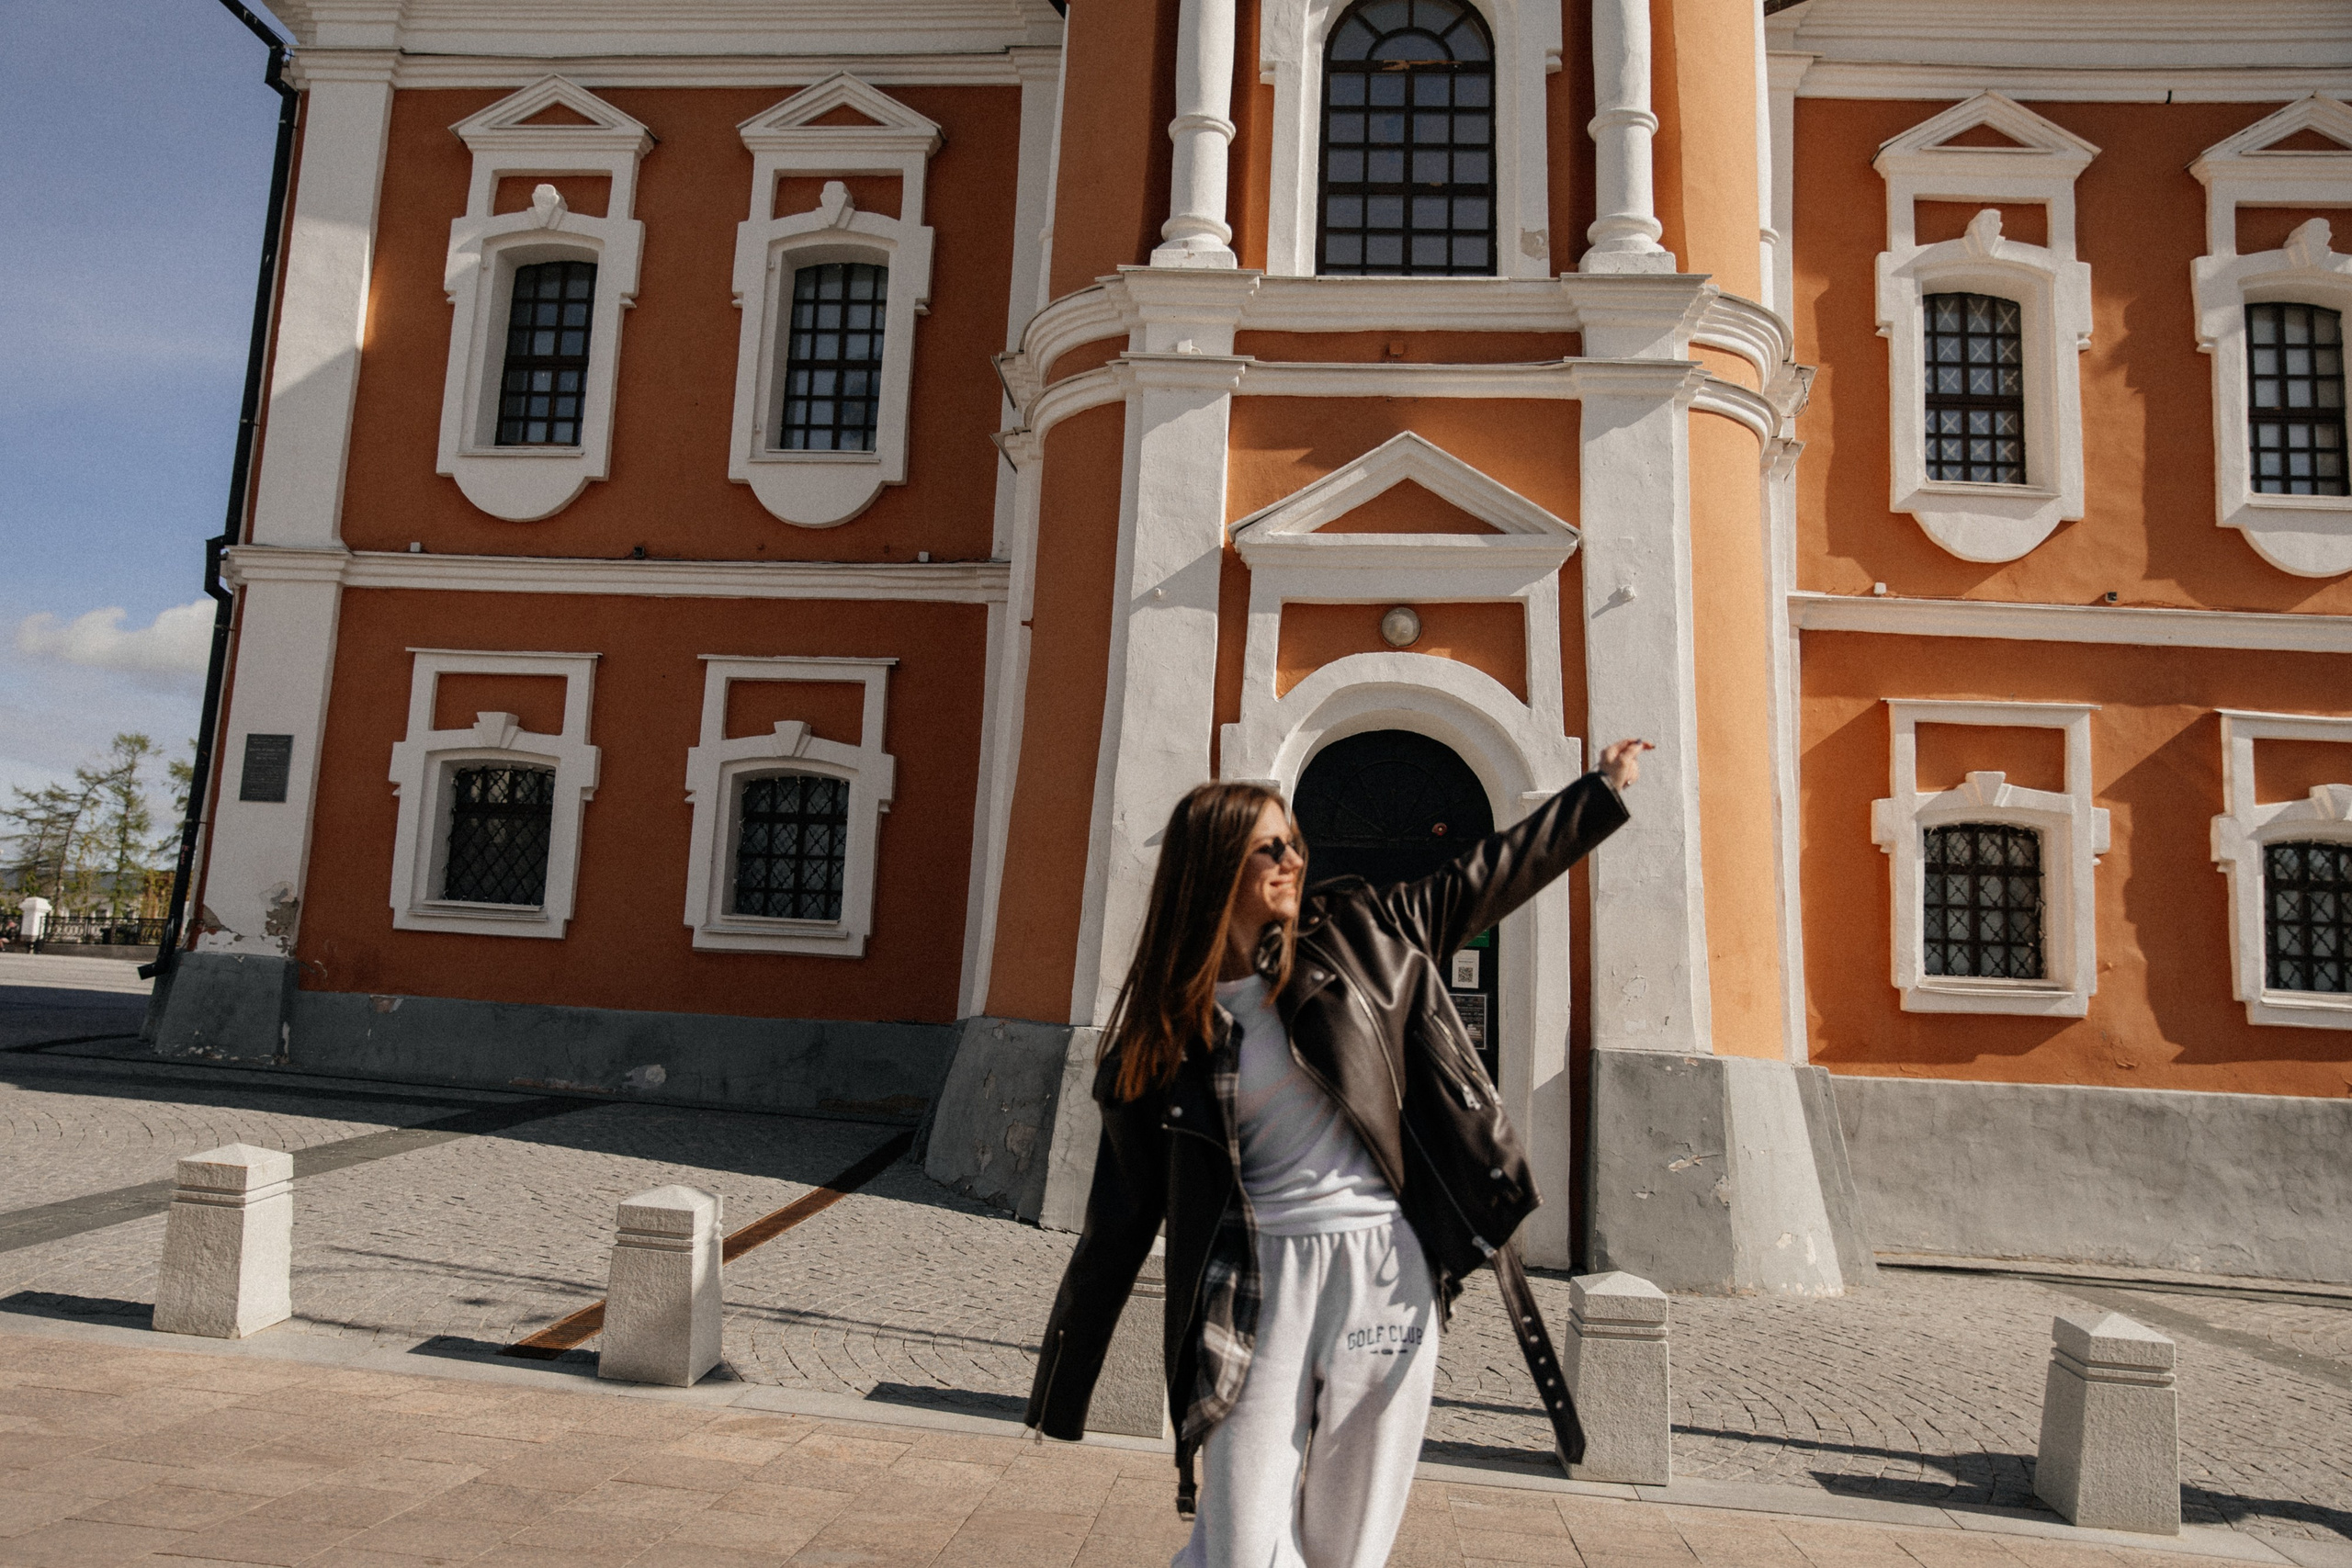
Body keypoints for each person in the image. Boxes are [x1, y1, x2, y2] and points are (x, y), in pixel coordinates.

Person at [1024, 739, 1651, 1568]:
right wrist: (1063, 1384)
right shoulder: (1166, 1030)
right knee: (1241, 1544)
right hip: (1250, 1281)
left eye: (1295, 841)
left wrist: (1599, 791)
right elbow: (1121, 1214)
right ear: (1215, 867)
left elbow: (1488, 875)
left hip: (1382, 1272)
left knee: (1347, 1549)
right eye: (1270, 846)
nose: (1294, 857)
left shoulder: (1364, 936)